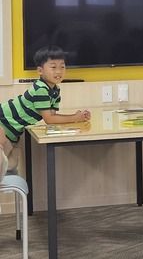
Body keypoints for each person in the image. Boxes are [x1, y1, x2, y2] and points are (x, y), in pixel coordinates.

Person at [0, 45, 91, 182]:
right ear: (40, 71)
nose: (59, 71)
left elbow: (53, 115)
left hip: (10, 133)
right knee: (4, 168)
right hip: (2, 127)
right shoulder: (41, 89)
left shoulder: (55, 90)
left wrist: (77, 118)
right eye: (53, 67)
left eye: (62, 66)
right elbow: (49, 119)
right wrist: (75, 118)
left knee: (9, 166)